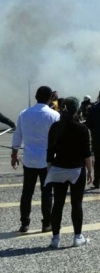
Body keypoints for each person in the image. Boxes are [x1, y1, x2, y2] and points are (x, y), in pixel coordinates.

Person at [11, 85, 60, 233]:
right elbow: (58, 139)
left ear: (35, 97)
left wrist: (14, 155)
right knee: (46, 192)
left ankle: (24, 223)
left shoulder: (24, 113)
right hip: (47, 160)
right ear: (50, 98)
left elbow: (17, 136)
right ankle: (46, 223)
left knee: (27, 192)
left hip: (29, 159)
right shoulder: (54, 116)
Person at [45, 97, 92, 248]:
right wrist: (90, 170)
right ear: (77, 109)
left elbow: (50, 152)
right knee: (76, 204)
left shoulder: (55, 127)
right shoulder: (82, 128)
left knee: (57, 204)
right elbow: (86, 153)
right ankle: (77, 237)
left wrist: (50, 168)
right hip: (76, 169)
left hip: (58, 168)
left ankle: (55, 239)